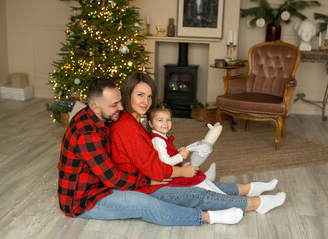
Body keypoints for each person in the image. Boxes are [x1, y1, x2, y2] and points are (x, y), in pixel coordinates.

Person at [57, 77, 243, 226]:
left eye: (120, 102)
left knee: (159, 192)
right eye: (115, 105)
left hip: (100, 186)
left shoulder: (96, 116)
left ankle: (237, 193)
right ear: (95, 106)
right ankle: (208, 217)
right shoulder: (88, 134)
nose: (121, 108)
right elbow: (112, 178)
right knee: (146, 205)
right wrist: (148, 179)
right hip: (84, 200)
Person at [109, 72, 286, 223]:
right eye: (140, 95)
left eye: (149, 96)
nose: (146, 101)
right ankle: (257, 203)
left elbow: (149, 162)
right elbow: (152, 168)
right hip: (143, 186)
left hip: (150, 179)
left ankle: (249, 189)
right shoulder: (127, 126)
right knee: (197, 194)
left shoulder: (132, 121)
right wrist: (181, 172)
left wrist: (177, 170)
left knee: (203, 182)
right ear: (128, 94)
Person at [148, 103, 226, 194]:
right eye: (160, 120)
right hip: (169, 177)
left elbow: (164, 153)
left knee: (194, 173)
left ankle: (211, 184)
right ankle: (219, 194)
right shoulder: (157, 140)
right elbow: (166, 163)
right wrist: (180, 156)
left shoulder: (162, 136)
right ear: (151, 123)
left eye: (168, 120)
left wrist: (177, 152)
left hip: (173, 170)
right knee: (195, 180)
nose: (165, 123)